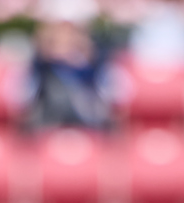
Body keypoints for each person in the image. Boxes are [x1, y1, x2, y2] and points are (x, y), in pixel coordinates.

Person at [24, 2, 116, 131]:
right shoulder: (40, 60)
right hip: (49, 119)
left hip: (88, 119)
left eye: (71, 29)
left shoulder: (97, 56)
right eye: (61, 28)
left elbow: (106, 90)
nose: (66, 34)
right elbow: (27, 94)